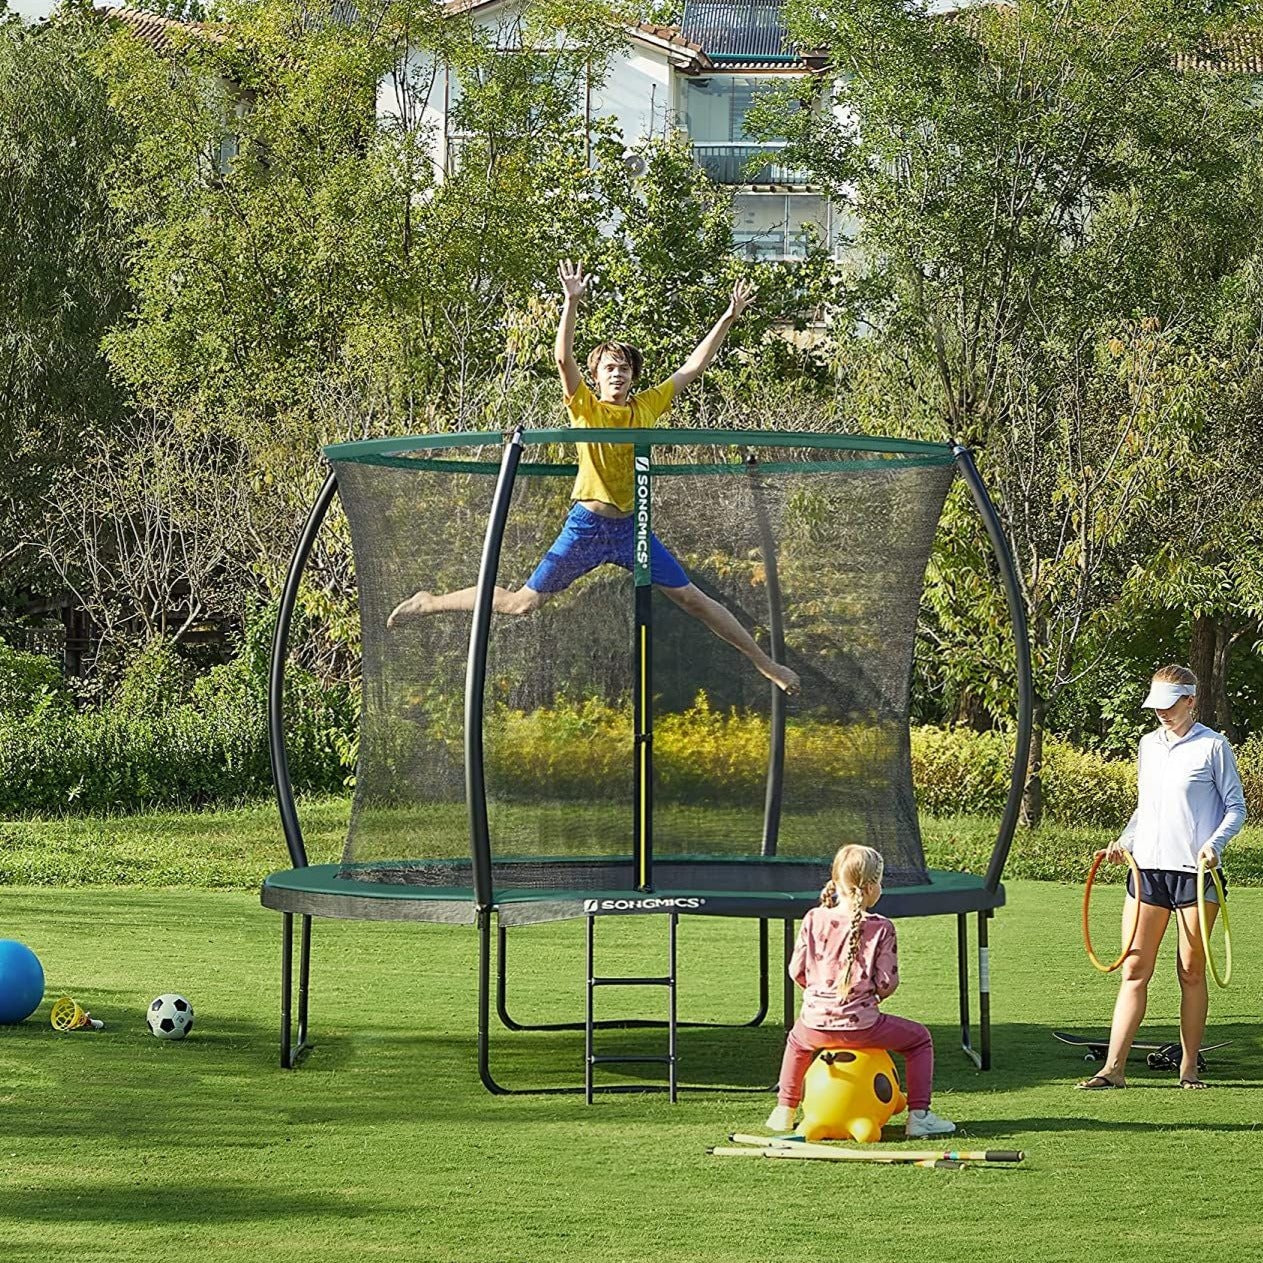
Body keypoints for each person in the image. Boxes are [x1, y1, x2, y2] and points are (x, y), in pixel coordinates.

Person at [388, 259, 800, 695]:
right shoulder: (585, 406)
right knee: (521, 603)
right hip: (586, 527)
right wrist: (571, 302)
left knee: (691, 599)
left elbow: (692, 368)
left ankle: (764, 664)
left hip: (631, 529)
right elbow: (562, 358)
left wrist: (727, 317)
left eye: (623, 368)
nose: (617, 374)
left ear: (632, 376)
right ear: (598, 376)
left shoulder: (646, 406)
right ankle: (430, 602)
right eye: (609, 368)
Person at [1077, 664, 1245, 1091]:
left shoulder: (1214, 747)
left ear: (1191, 700)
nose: (1162, 714)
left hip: (1196, 874)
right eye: (1157, 707)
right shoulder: (1148, 745)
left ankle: (1188, 1068)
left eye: (1170, 706)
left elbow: (1235, 808)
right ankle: (1112, 1069)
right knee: (1134, 967)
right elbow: (1145, 808)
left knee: (1191, 971)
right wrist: (1123, 842)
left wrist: (1215, 845)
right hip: (1148, 871)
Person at [766, 843, 956, 1138]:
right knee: (920, 1040)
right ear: (869, 887)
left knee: (796, 1043)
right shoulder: (881, 927)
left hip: (813, 1024)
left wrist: (819, 995)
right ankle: (920, 1116)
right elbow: (886, 983)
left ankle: (784, 1111)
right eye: (880, 882)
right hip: (863, 1026)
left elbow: (796, 971)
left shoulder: (813, 917)